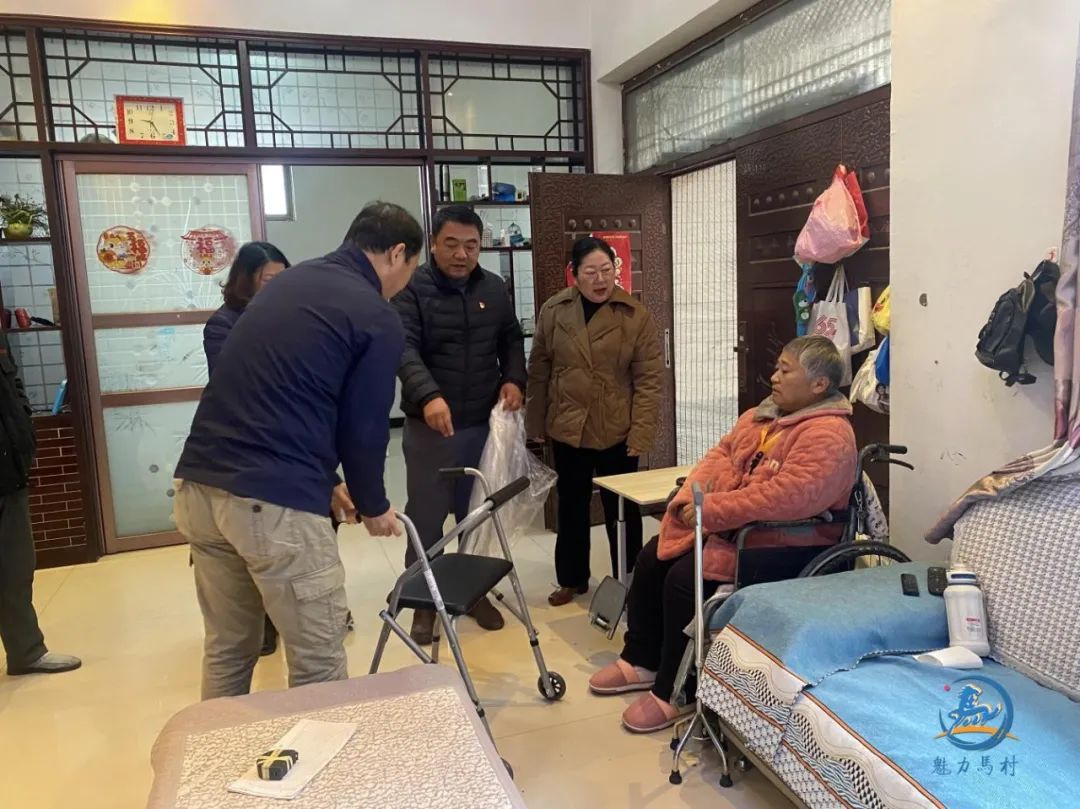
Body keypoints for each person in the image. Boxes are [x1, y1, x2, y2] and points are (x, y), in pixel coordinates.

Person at [174, 201, 423, 700]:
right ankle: (315, 753)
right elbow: (365, 425)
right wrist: (373, 504)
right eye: (412, 268)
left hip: (198, 488)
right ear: (397, 253)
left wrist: (328, 481)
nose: (407, 281)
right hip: (272, 503)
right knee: (318, 659)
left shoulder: (289, 283)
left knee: (229, 646)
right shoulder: (375, 313)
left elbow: (276, 395)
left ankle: (219, 747)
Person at [588, 335, 857, 733]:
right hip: (731, 528)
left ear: (819, 384)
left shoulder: (829, 434)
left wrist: (713, 510)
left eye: (785, 370)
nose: (774, 377)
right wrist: (690, 497)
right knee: (651, 558)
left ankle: (677, 689)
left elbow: (787, 497)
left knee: (684, 580)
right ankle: (643, 659)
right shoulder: (759, 417)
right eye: (777, 367)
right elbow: (716, 459)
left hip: (785, 541)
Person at [203, 241, 354, 657]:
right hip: (253, 452)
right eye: (269, 279)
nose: (278, 287)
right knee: (263, 545)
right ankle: (267, 622)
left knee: (316, 530)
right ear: (245, 280)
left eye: (283, 278)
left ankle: (319, 609)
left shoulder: (291, 319)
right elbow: (246, 390)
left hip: (303, 446)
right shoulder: (223, 324)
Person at [394, 204, 526, 645]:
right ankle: (423, 600)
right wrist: (428, 395)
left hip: (481, 423)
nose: (461, 254)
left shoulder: (493, 287)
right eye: (451, 244)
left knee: (477, 514)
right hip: (430, 427)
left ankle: (473, 592)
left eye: (471, 245)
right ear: (433, 244)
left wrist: (514, 379)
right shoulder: (412, 287)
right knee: (427, 516)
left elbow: (510, 338)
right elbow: (403, 348)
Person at [526, 235, 663, 607]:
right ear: (574, 273)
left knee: (623, 509)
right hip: (568, 426)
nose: (600, 279)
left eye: (607, 269)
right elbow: (539, 368)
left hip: (617, 428)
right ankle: (571, 579)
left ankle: (630, 579)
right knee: (571, 505)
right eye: (591, 271)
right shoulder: (555, 310)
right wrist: (534, 423)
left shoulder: (634, 314)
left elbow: (649, 380)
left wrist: (642, 432)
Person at [0, 330, 80, 676]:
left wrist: (24, 428)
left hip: (9, 473)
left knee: (16, 569)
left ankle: (26, 652)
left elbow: (13, 384)